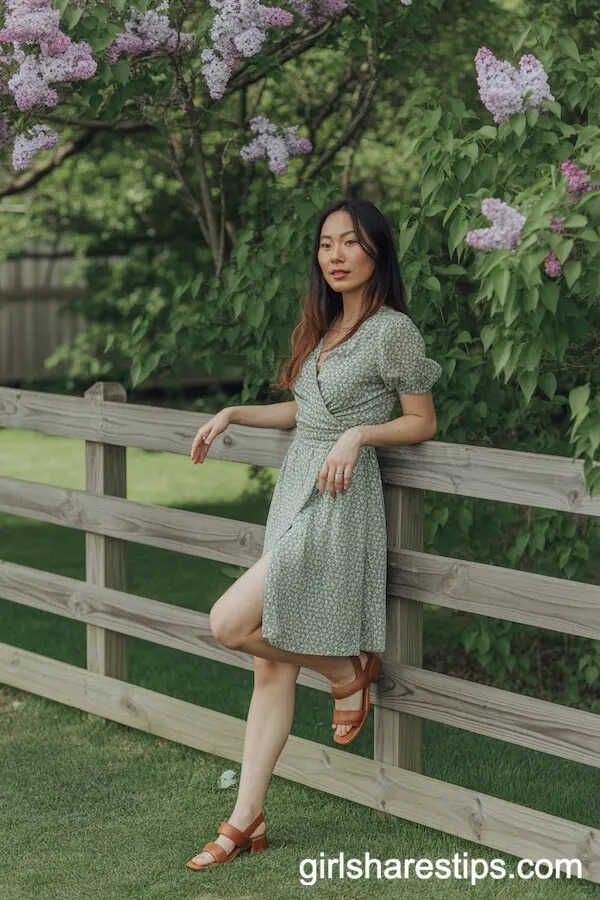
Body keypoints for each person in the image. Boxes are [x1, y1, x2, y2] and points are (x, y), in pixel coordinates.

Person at [185, 198, 442, 870]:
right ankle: (246, 820)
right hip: (296, 487)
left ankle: (345, 670)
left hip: (338, 497)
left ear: (376, 252)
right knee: (269, 664)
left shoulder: (392, 331)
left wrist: (360, 434)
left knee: (228, 621)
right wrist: (233, 412)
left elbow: (421, 421)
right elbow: (305, 414)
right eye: (325, 244)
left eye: (349, 243)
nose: (333, 255)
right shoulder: (324, 327)